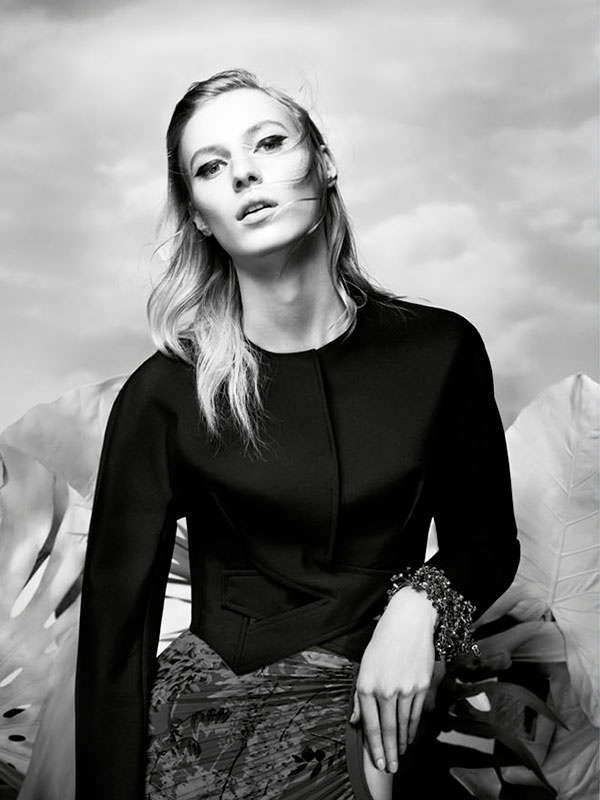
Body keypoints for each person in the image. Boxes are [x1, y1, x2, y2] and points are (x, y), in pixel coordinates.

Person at [74, 68, 520, 800]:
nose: (244, 173)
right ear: (199, 216)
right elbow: (114, 643)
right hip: (217, 734)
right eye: (211, 167)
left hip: (391, 721)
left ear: (324, 162)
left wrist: (419, 607)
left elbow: (488, 542)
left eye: (269, 143)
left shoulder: (441, 351)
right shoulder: (165, 394)